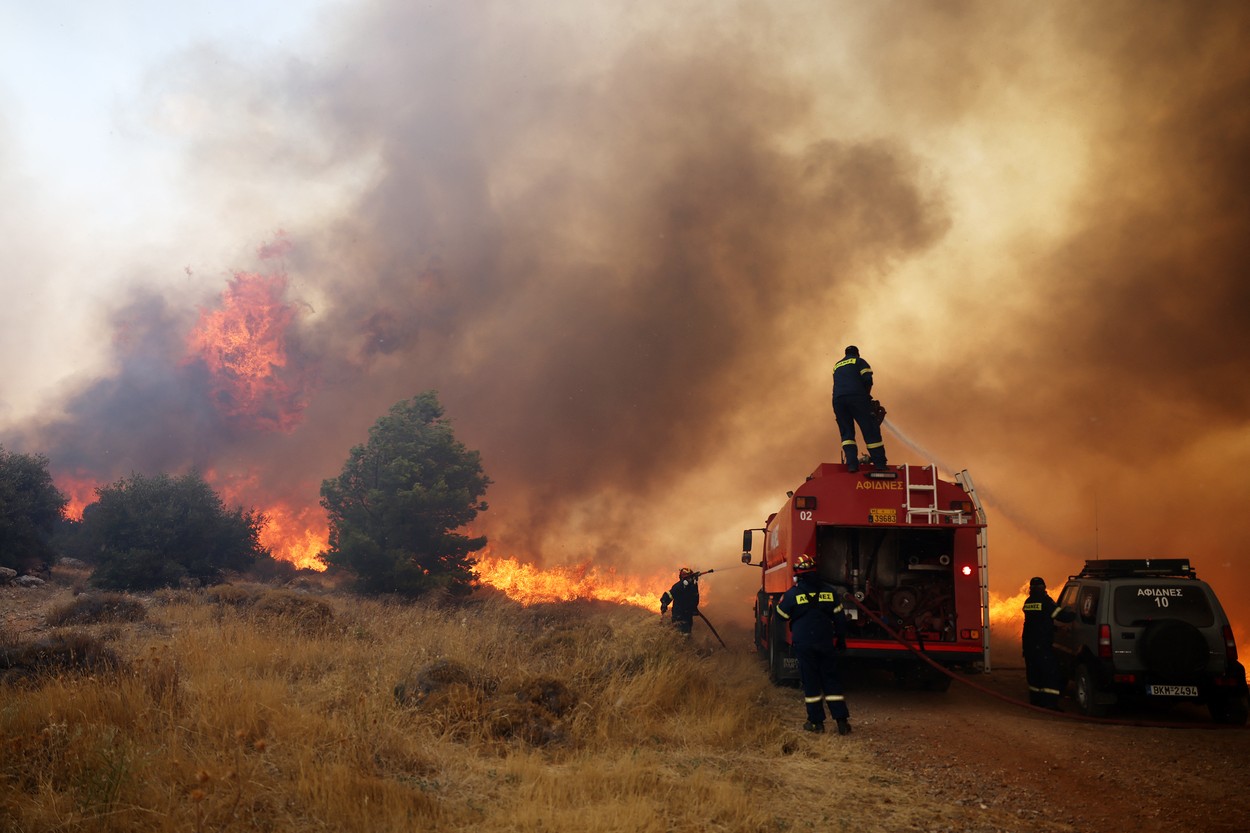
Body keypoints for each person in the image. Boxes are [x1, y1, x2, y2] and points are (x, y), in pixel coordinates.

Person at [775, 554, 852, 734]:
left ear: (798, 575)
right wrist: (841, 639)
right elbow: (840, 619)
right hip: (825, 642)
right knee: (831, 680)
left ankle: (816, 723)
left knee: (811, 682)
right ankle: (842, 722)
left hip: (804, 644)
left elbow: (780, 616)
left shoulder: (792, 594)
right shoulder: (830, 592)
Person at [832, 345, 887, 472]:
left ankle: (852, 465)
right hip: (857, 398)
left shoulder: (837, 365)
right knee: (870, 429)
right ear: (857, 353)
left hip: (838, 401)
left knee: (847, 434)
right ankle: (880, 464)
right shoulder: (859, 361)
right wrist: (866, 397)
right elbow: (868, 379)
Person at [1021, 576, 1073, 710]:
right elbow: (1061, 616)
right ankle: (1050, 703)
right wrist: (1073, 614)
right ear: (1043, 588)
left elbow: (1037, 622)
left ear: (1030, 589)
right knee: (1050, 673)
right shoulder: (1046, 601)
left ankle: (1035, 701)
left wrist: (1054, 627)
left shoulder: (1028, 602)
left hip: (1029, 645)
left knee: (1034, 673)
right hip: (1042, 645)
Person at [660, 567, 700, 636]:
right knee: (678, 634)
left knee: (687, 635)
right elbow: (669, 594)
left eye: (690, 578)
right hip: (679, 615)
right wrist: (664, 602)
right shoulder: (678, 586)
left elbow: (694, 599)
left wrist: (694, 609)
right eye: (688, 578)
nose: (689, 580)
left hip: (688, 615)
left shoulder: (693, 587)